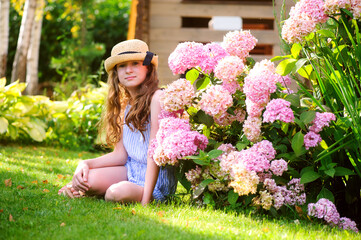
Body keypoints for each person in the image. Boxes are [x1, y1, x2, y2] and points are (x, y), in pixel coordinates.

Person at [58, 39, 177, 205]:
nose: (128, 70)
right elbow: (120, 155)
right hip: (130, 170)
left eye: (135, 63)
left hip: (155, 180)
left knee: (114, 193)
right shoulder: (125, 104)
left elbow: (154, 152)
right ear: (116, 73)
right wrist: (84, 163)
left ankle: (117, 191)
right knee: (86, 180)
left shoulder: (157, 98)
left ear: (147, 67)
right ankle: (87, 189)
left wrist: (145, 200)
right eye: (122, 66)